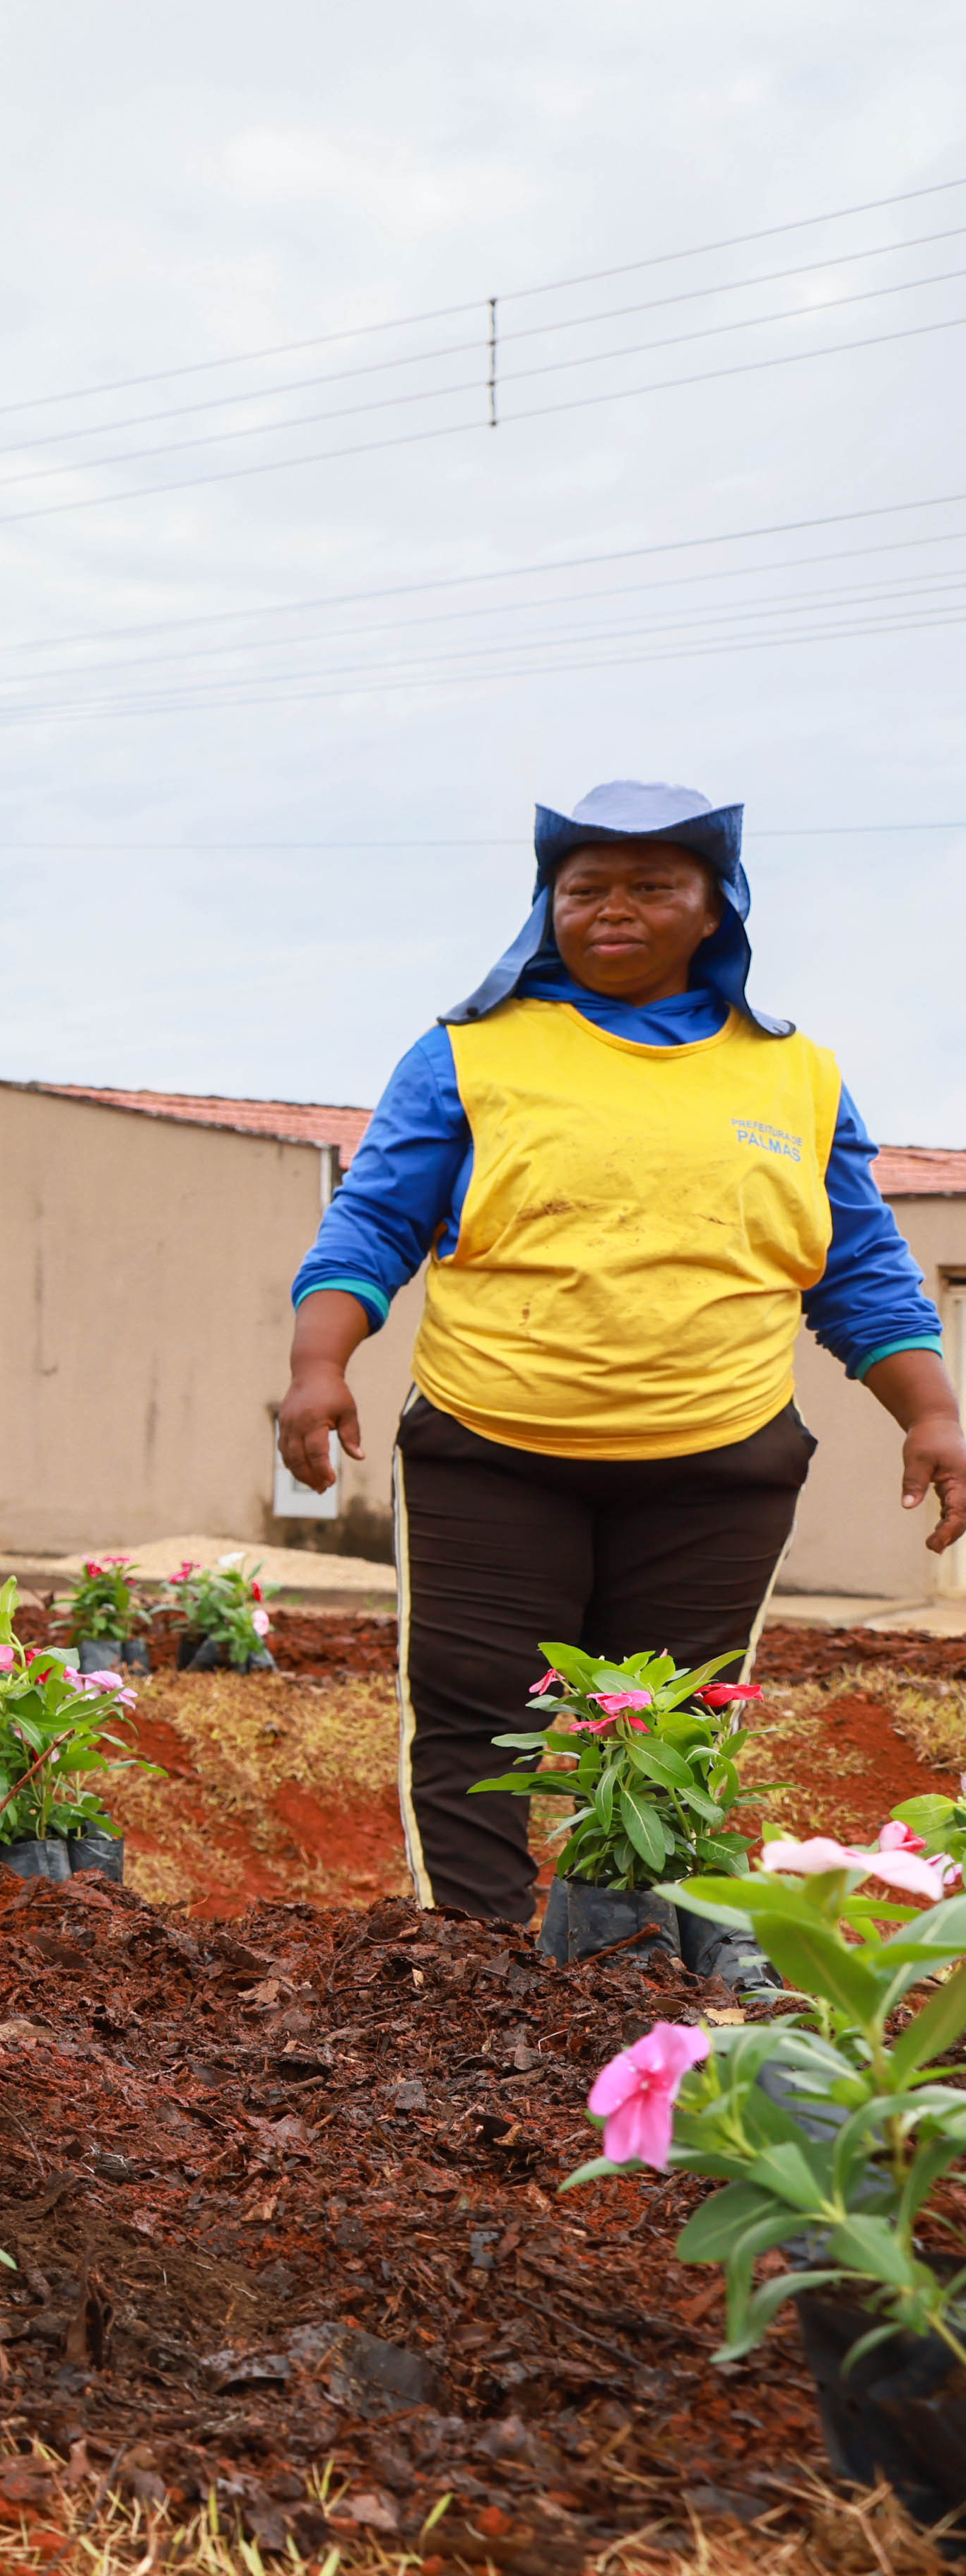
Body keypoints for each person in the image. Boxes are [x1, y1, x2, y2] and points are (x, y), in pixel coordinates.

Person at [276, 781, 964, 1928]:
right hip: (491, 1452)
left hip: (716, 1465)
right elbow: (374, 1221)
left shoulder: (794, 1076)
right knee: (472, 1719)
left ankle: (613, 1978)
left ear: (715, 909)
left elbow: (853, 1267)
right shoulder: (469, 1054)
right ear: (545, 905)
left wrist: (930, 1410)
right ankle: (473, 1971)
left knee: (664, 1738)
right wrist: (317, 1363)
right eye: (581, 886)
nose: (610, 907)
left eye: (652, 885)